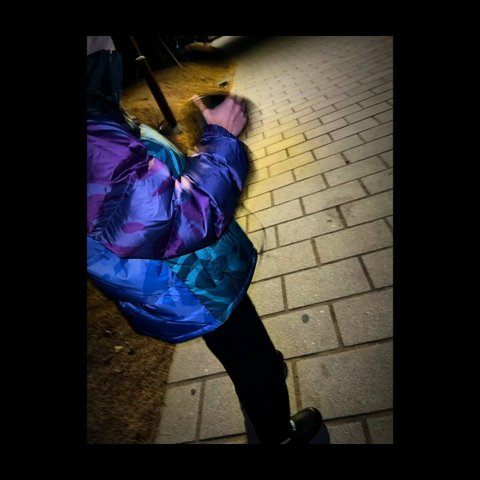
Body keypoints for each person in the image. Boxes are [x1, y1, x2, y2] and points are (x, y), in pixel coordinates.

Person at [87, 36, 323, 444]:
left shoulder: (94, 108)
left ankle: (265, 383)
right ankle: (277, 433)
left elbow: (130, 198)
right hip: (183, 276)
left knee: (242, 345)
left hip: (179, 271)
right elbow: (175, 219)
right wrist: (221, 140)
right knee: (247, 350)